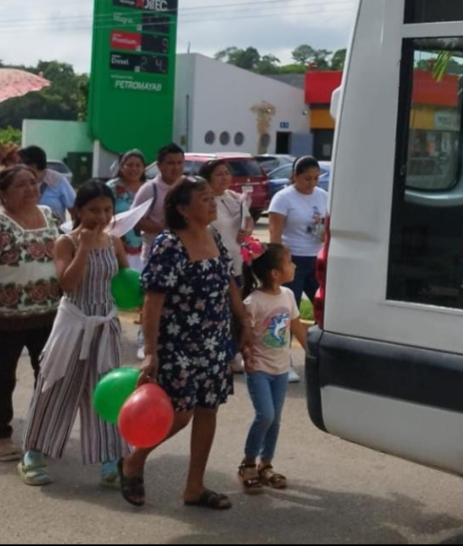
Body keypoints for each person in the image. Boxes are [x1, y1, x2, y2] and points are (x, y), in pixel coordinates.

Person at [119, 177, 254, 511]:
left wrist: (244, 324)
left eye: (211, 197)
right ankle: (134, 460)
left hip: (214, 341)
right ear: (182, 208)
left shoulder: (213, 236)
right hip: (177, 342)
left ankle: (194, 488)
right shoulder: (169, 245)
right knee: (180, 413)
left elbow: (229, 284)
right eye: (204, 198)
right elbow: (152, 303)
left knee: (209, 409)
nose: (212, 203)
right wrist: (151, 352)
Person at [18, 181, 128, 488]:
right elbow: (67, 284)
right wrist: (84, 248)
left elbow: (123, 282)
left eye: (107, 209)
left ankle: (110, 457)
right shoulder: (65, 242)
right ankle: (33, 453)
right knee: (55, 387)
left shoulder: (114, 241)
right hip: (73, 324)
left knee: (106, 390)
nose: (101, 216)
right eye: (93, 210)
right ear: (78, 210)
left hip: (105, 325)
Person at [0, 165, 62, 463]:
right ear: (3, 194)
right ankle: (1, 436)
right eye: (21, 185)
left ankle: (40, 434)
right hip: (2, 319)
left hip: (49, 316)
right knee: (0, 380)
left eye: (33, 183)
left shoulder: (50, 215)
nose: (30, 189)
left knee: (49, 377)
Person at [237, 240, 306, 494]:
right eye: (289, 262)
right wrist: (245, 355)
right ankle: (248, 463)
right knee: (265, 414)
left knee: (275, 419)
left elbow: (297, 327)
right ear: (276, 273)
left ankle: (266, 465)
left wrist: (312, 354)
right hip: (259, 369)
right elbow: (242, 335)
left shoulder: (288, 296)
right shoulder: (253, 302)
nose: (295, 266)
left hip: (281, 370)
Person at [267, 156, 328, 383]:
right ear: (294, 176)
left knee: (325, 309)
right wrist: (277, 263)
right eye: (306, 178)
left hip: (317, 259)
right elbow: (274, 234)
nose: (311, 183)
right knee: (287, 311)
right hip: (291, 261)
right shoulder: (283, 198)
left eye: (315, 178)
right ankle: (284, 361)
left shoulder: (323, 196)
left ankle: (319, 358)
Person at [201, 159, 253, 374]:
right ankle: (219, 355)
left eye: (227, 173)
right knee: (218, 312)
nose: (224, 178)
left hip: (238, 261)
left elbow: (248, 221)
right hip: (214, 264)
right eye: (219, 174)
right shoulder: (204, 201)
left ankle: (233, 354)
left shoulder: (235, 198)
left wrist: (247, 230)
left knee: (236, 311)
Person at [132, 143, 187, 264]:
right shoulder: (149, 189)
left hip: (184, 256)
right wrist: (165, 229)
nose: (176, 168)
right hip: (155, 257)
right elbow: (135, 220)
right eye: (170, 163)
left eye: (180, 163)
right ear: (159, 166)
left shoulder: (188, 186)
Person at [108, 150, 147, 272]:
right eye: (129, 165)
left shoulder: (150, 188)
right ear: (122, 167)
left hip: (146, 247)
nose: (134, 169)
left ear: (144, 168)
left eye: (138, 165)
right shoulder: (112, 188)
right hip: (118, 246)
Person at [18, 146, 76, 224]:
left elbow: (74, 209)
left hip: (55, 232)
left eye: (21, 164)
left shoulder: (58, 180)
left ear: (33, 165)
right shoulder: (17, 182)